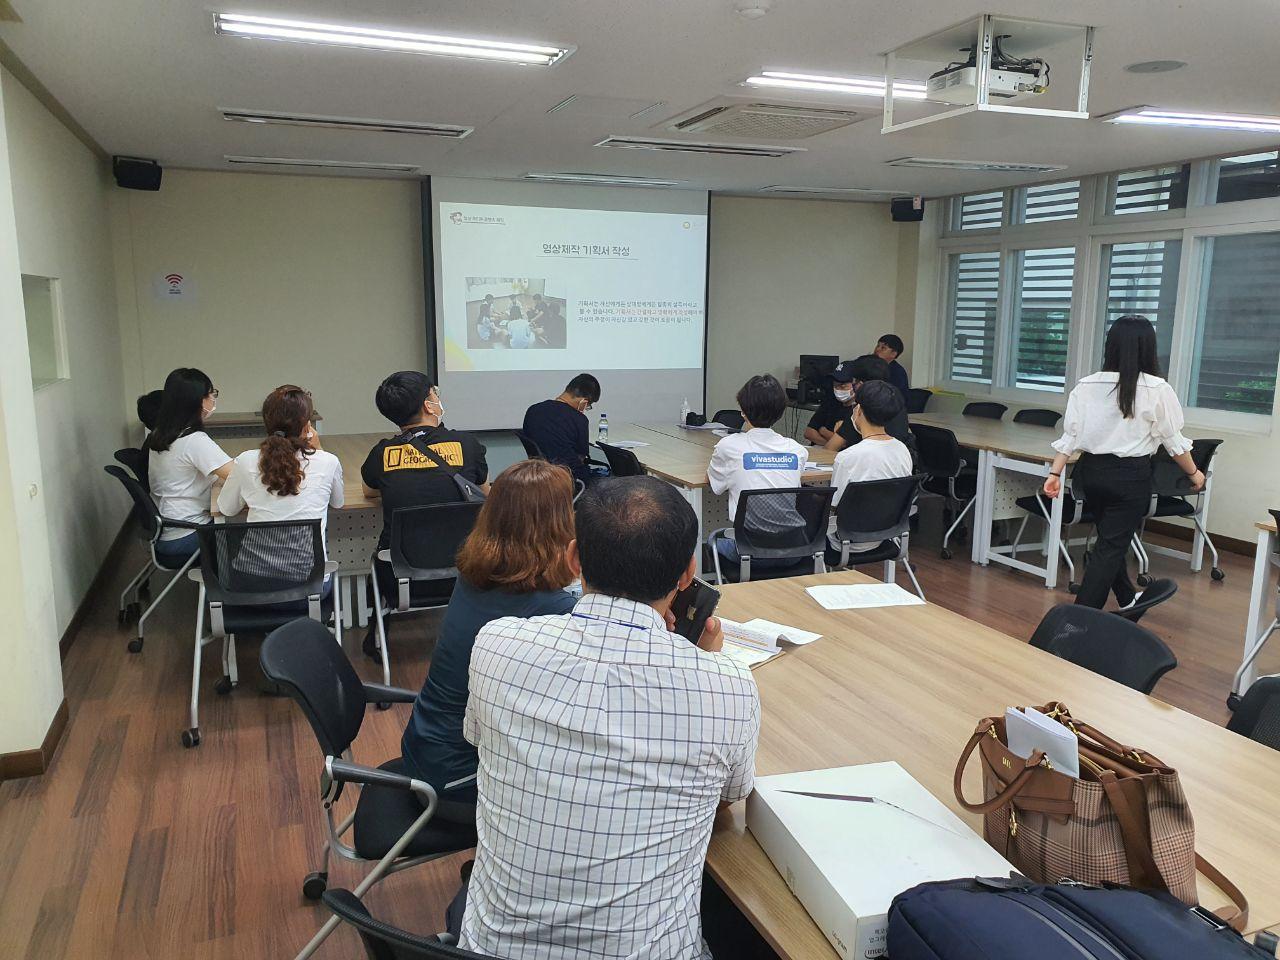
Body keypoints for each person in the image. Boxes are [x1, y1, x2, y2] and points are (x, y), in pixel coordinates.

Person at [459, 476, 761, 960]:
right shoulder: (727, 685)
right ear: (687, 574)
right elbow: (728, 802)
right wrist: (701, 665)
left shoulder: (496, 644)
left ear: (574, 559)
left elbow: (481, 741)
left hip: (489, 950)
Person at [400, 460, 579, 823]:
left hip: (424, 747)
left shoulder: (475, 574)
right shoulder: (553, 607)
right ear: (560, 522)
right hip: (459, 780)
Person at [1044, 315, 1203, 610]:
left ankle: (1128, 599)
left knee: (1109, 540)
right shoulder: (1157, 388)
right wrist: (1194, 473)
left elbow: (1071, 434)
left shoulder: (1087, 384)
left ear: (1111, 346)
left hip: (1090, 474)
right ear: (1149, 348)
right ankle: (1077, 622)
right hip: (1129, 478)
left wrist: (1055, 472)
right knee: (1110, 546)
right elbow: (1172, 441)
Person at [362, 372, 489, 605]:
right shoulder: (467, 445)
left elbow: (369, 491)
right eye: (434, 393)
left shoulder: (382, 453)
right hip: (468, 568)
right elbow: (484, 493)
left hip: (399, 576)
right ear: (428, 406)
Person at [217, 385, 343, 584]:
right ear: (306, 427)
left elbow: (227, 509)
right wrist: (319, 450)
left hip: (251, 585)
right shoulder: (328, 461)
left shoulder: (246, 460)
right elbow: (337, 503)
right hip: (309, 586)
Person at [707, 374, 808, 571]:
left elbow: (714, 484)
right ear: (780, 412)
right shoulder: (797, 450)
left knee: (711, 539)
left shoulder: (729, 446)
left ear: (743, 412)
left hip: (747, 553)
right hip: (795, 550)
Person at [144, 368, 232, 564]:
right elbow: (237, 475)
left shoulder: (161, 434)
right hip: (188, 534)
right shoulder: (194, 441)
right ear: (198, 401)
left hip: (169, 529)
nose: (213, 399)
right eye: (211, 393)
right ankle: (221, 591)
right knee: (249, 535)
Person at [828, 381, 915, 554]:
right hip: (886, 535)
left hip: (845, 541)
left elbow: (834, 506)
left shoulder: (848, 456)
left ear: (858, 410)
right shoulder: (902, 450)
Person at [825, 355, 915, 459]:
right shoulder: (897, 405)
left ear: (861, 384)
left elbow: (830, 448)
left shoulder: (861, 410)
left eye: (854, 381)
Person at [522, 373, 602, 485]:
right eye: (588, 406)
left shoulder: (533, 410)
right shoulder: (579, 419)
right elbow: (581, 457)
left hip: (538, 474)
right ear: (584, 402)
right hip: (569, 478)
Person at [801, 360, 852, 445]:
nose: (838, 389)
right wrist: (833, 444)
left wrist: (823, 430)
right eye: (835, 385)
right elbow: (809, 433)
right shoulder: (831, 401)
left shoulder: (859, 410)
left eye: (843, 385)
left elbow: (846, 444)